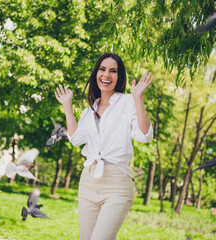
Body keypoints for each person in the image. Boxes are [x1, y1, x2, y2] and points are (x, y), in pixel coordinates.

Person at [55, 52, 153, 240]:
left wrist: (138, 98)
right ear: (96, 74)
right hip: (88, 182)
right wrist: (67, 105)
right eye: (102, 69)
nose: (106, 75)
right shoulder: (88, 111)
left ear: (119, 77)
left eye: (113, 71)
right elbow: (76, 139)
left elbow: (144, 135)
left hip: (117, 184)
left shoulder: (128, 102)